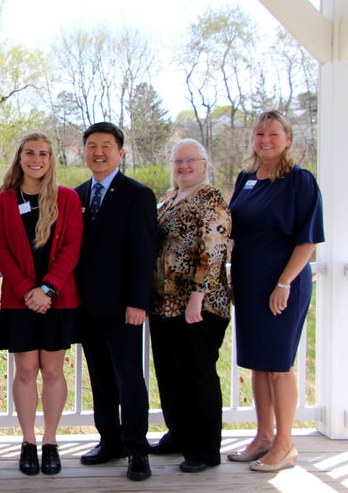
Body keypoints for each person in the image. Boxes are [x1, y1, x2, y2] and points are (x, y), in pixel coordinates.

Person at [227, 110, 324, 472]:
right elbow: (236, 234)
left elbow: (308, 239)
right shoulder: (246, 178)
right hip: (249, 284)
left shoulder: (300, 180)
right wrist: (235, 278)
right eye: (259, 134)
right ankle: (264, 436)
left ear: (288, 138)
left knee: (279, 366)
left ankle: (286, 445)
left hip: (282, 284)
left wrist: (284, 283)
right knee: (257, 363)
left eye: (273, 134)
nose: (265, 140)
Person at [0, 132, 83, 476]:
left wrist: (48, 289)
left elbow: (72, 247)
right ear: (20, 157)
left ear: (51, 159)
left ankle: (50, 441)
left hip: (57, 299)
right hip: (20, 299)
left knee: (54, 371)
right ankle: (27, 442)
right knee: (26, 372)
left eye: (44, 154)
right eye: (30, 153)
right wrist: (28, 290)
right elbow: (0, 250)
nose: (37, 159)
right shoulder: (2, 202)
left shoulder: (67, 199)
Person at [74, 121, 156, 482]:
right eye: (92, 145)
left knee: (129, 380)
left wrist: (138, 302)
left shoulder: (137, 195)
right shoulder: (74, 195)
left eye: (106, 145)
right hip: (86, 305)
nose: (99, 152)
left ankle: (137, 450)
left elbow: (144, 253)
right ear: (84, 152)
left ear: (120, 152)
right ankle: (110, 441)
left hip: (124, 307)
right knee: (100, 377)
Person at [148, 139, 231, 473]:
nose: (183, 166)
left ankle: (205, 450)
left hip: (199, 305)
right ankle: (179, 435)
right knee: (170, 374)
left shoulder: (210, 199)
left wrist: (198, 296)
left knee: (198, 375)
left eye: (190, 160)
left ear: (204, 164)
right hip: (164, 304)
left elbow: (213, 252)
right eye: (178, 160)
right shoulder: (168, 198)